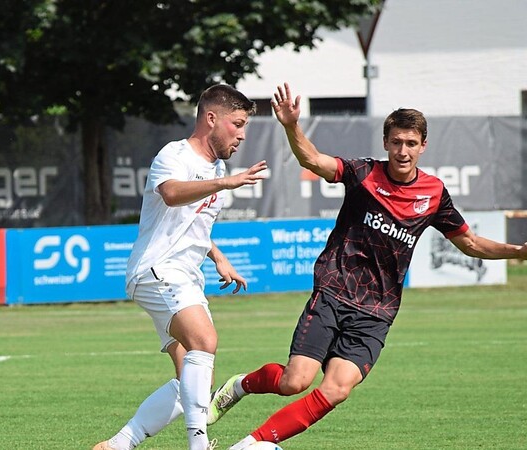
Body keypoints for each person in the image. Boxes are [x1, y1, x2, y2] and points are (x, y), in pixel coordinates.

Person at [208, 83, 527, 449]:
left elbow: (469, 243)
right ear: (386, 142)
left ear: (423, 146)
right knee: (294, 382)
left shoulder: (434, 194)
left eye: (410, 143)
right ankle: (238, 386)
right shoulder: (363, 174)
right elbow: (314, 160)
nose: (402, 151)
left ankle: (250, 445)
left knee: (337, 389)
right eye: (396, 142)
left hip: (377, 310)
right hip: (334, 291)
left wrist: (518, 251)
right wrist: (291, 126)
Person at [93, 84, 268, 450]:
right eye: (237, 124)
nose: (242, 134)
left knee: (193, 376)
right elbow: (171, 194)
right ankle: (198, 446)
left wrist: (218, 257)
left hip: (183, 275)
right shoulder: (175, 154)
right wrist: (226, 182)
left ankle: (118, 445)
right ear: (211, 119)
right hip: (159, 269)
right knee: (206, 340)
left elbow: (194, 225)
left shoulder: (217, 168)